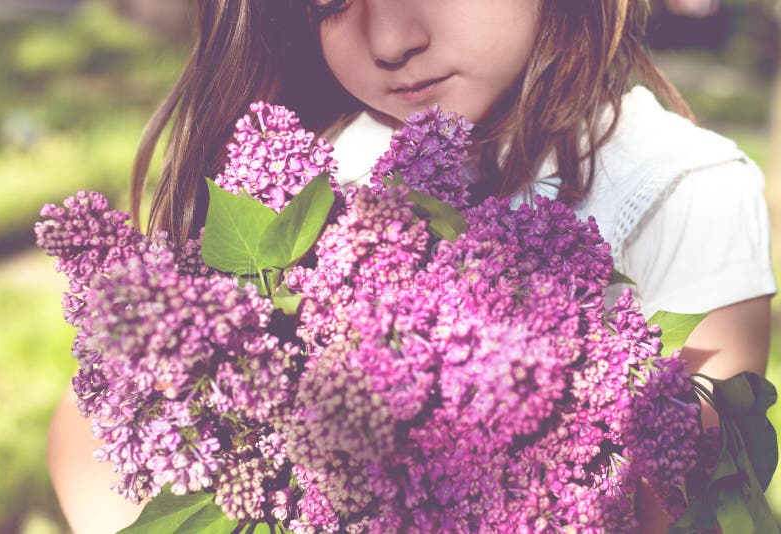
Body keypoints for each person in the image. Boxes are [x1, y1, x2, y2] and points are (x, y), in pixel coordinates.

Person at [47, 1, 777, 532]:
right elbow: (89, 436)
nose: (391, 38)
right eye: (330, 1)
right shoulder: (311, 170)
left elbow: (671, 502)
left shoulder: (686, 193)